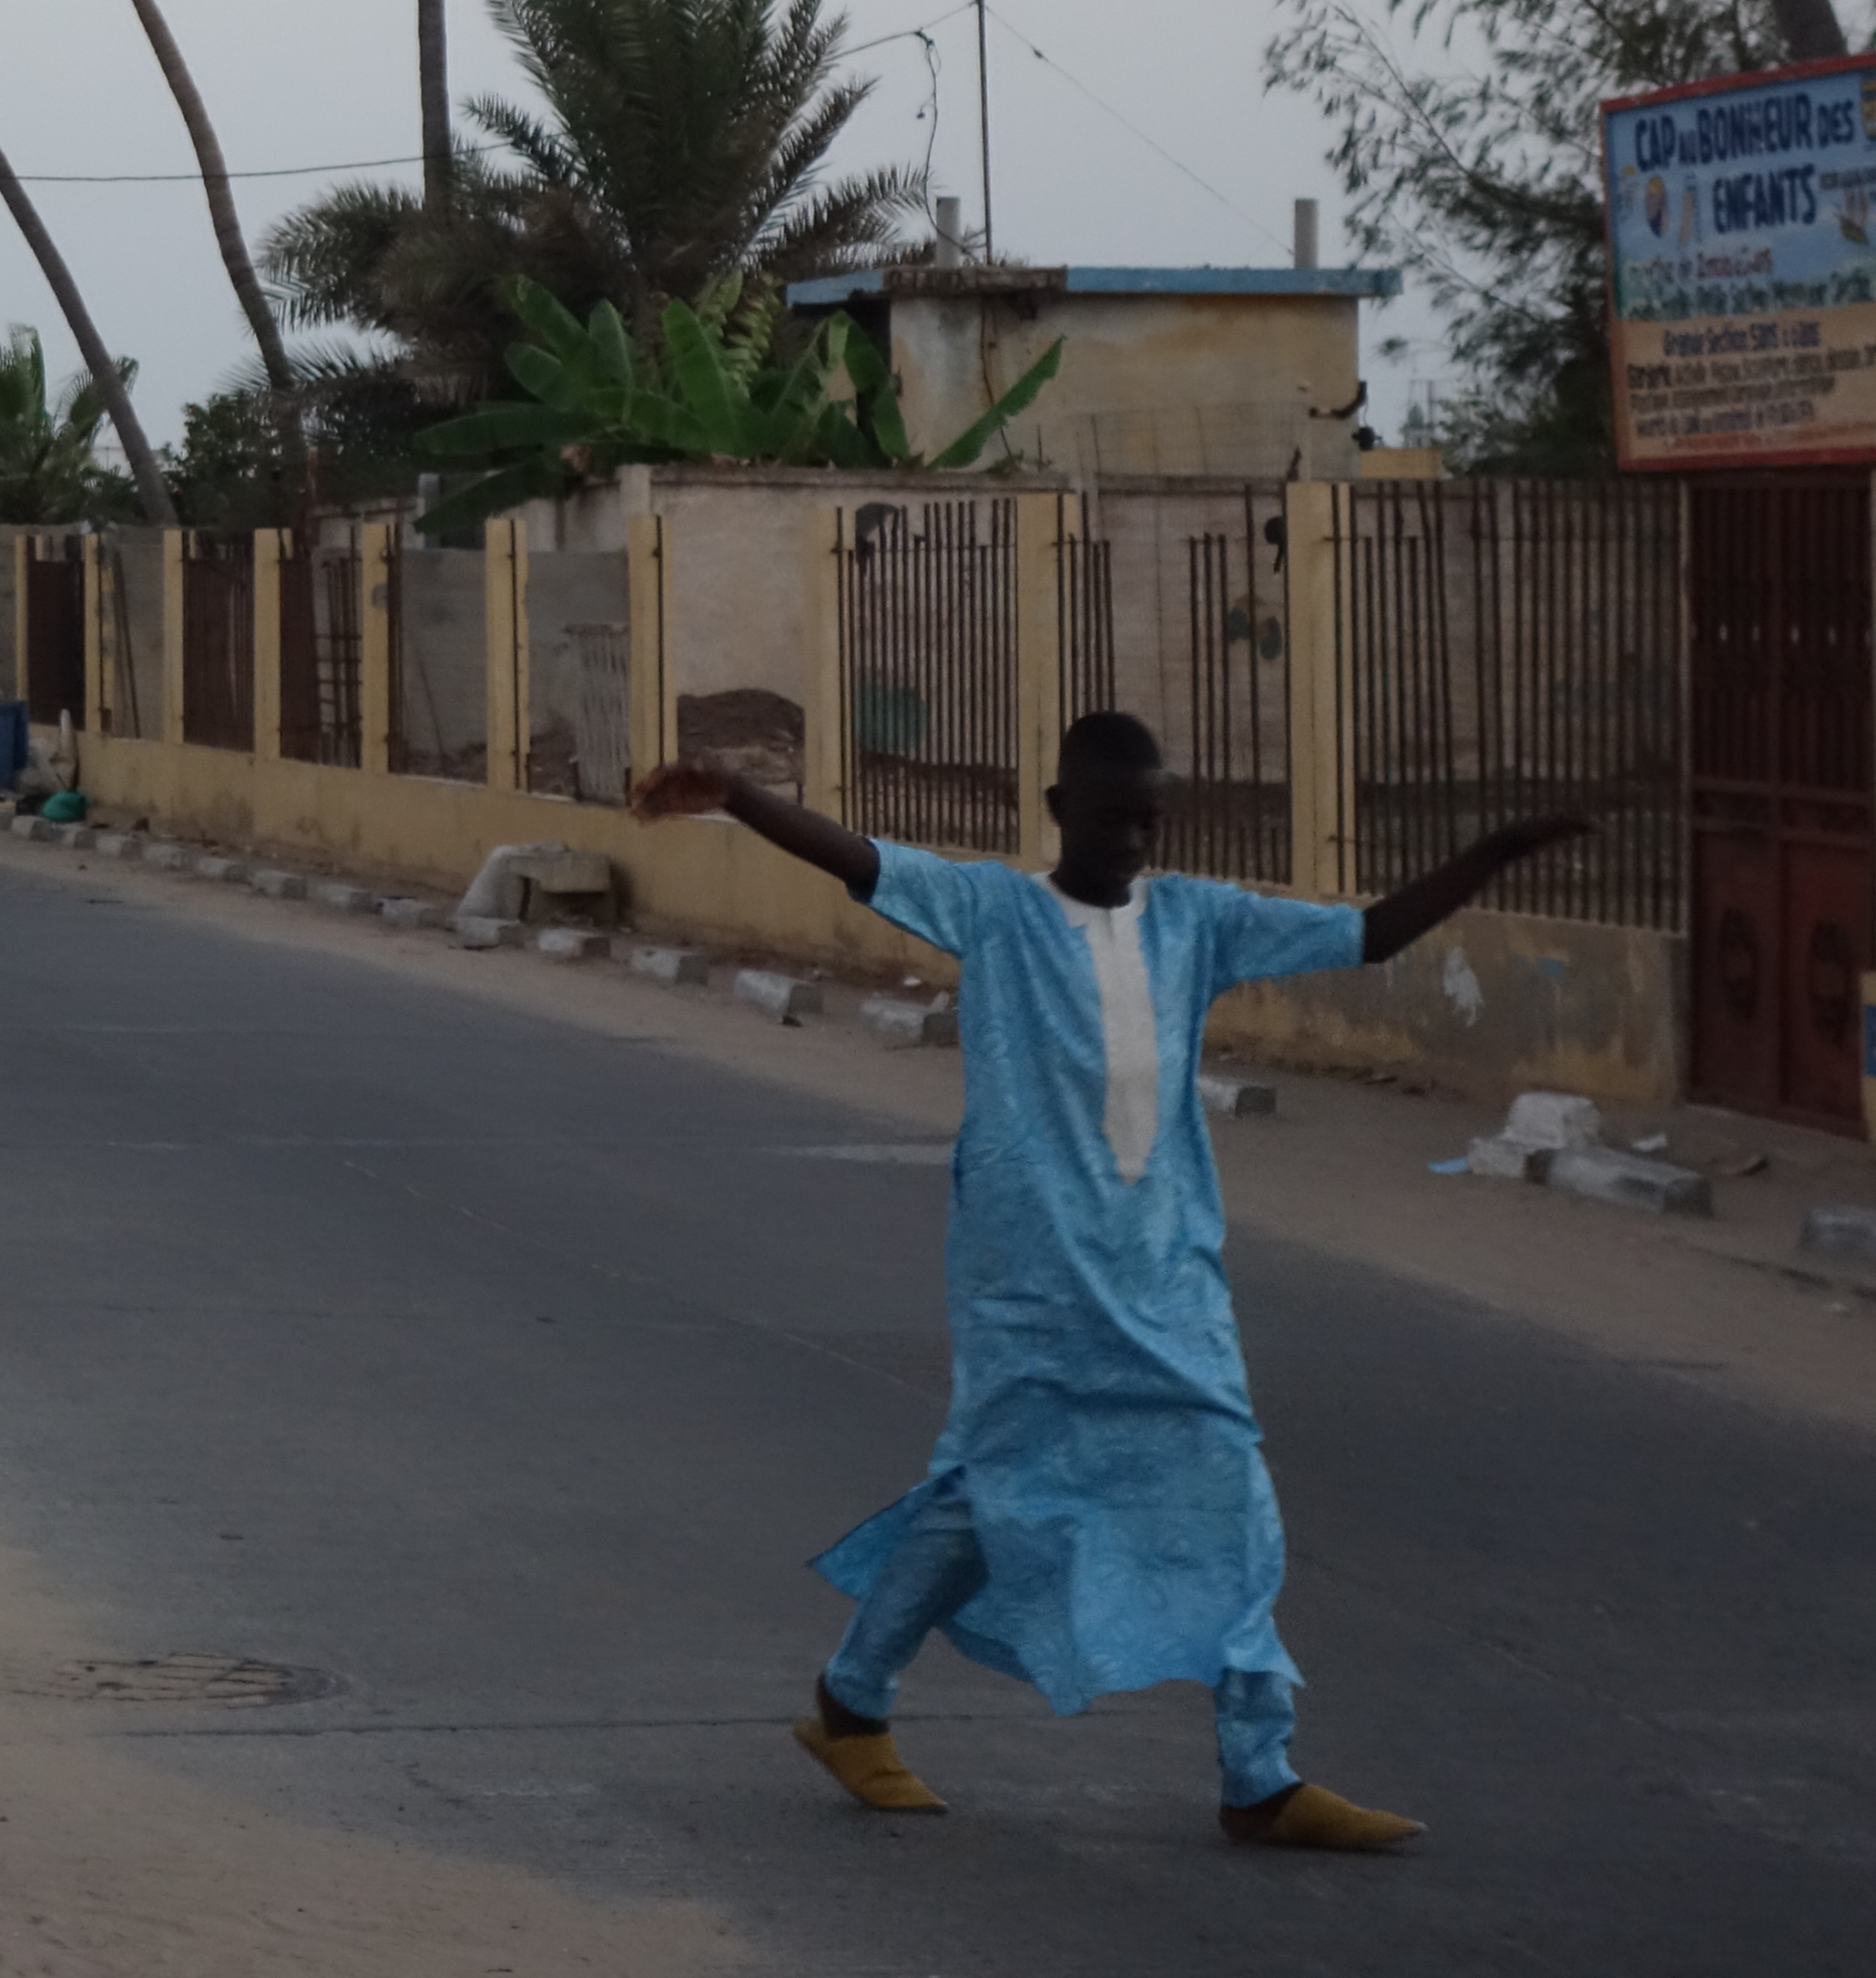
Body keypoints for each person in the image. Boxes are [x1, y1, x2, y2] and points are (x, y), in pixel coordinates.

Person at [629, 719, 1586, 1850]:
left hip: (1168, 1272)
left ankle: (1259, 1774)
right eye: (1114, 816)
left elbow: (1367, 935)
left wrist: (1493, 854)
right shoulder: (995, 911)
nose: (1137, 838)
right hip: (1029, 1279)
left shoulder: (1198, 921)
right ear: (1056, 809)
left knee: (1231, 1490)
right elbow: (861, 860)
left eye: (1151, 817)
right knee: (989, 1496)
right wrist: (736, 794)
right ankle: (852, 1703)